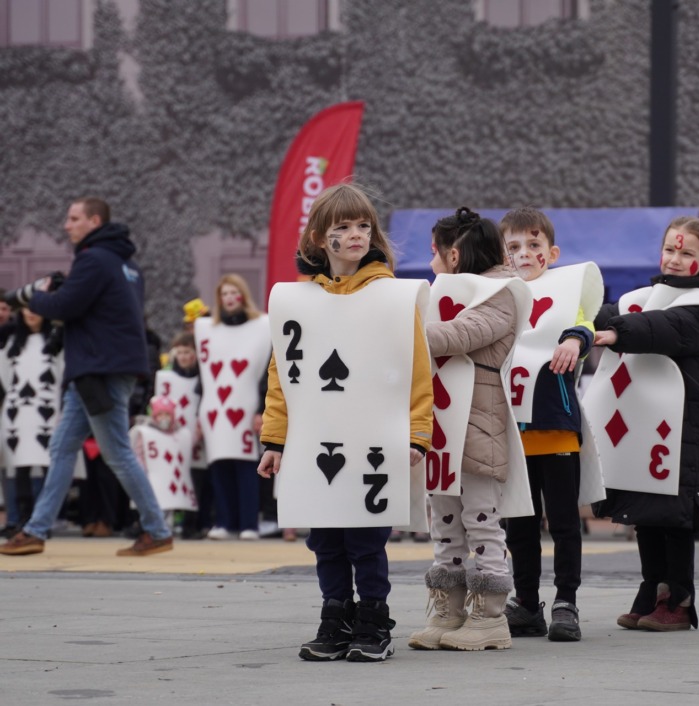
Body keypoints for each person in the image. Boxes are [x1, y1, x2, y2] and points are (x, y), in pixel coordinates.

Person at [258, 183, 433, 663]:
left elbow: (418, 372)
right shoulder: (298, 304)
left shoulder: (393, 298)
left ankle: (373, 620)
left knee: (366, 538)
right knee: (325, 540)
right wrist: (274, 440)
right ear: (319, 238)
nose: (356, 234)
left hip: (374, 441)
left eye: (363, 225)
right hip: (314, 442)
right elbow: (283, 376)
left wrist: (417, 434)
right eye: (343, 227)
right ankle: (334, 617)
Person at [586, 216, 699, 631]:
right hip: (642, 420)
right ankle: (651, 590)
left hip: (682, 425)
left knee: (675, 514)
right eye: (670, 250)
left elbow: (662, 328)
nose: (675, 259)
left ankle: (678, 599)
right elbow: (602, 314)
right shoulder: (638, 299)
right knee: (645, 510)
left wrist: (614, 331)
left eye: (687, 253)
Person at [0, 197, 172, 556]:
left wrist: (34, 298)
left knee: (117, 452)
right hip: (105, 368)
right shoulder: (128, 265)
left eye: (74, 218)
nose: (67, 225)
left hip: (99, 369)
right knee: (62, 448)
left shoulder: (93, 259)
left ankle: (157, 530)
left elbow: (65, 306)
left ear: (94, 221)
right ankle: (36, 529)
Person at [407, 207, 529, 652]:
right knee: (444, 521)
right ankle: (450, 610)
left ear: (454, 255)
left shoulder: (501, 292)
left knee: (480, 520)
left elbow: (461, 334)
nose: (431, 262)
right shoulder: (452, 294)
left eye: (434, 252)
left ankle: (491, 617)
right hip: (441, 424)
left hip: (479, 423)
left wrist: (399, 327)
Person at [496, 207, 602, 643]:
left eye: (534, 244)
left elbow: (586, 323)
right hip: (512, 429)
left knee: (563, 523)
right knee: (519, 525)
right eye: (514, 246)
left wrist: (576, 338)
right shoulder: (499, 296)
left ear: (551, 253)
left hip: (555, 424)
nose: (524, 253)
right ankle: (526, 602)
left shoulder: (565, 294)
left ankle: (566, 602)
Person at [196, 274, 271, 541]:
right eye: (224, 294)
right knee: (219, 465)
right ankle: (224, 522)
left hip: (247, 407)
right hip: (214, 408)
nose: (229, 298)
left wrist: (261, 409)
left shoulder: (262, 327)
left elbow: (267, 373)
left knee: (245, 466)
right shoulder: (206, 330)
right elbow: (203, 373)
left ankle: (249, 523)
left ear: (242, 295)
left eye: (233, 292)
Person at [0, 307, 63, 536]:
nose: (31, 314)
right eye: (27, 308)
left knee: (48, 465)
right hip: (17, 411)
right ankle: (20, 519)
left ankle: (42, 520)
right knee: (18, 466)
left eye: (36, 309)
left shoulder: (55, 342)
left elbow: (62, 373)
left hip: (47, 409)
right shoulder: (12, 343)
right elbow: (5, 376)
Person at [156, 332, 210, 538]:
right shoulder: (166, 378)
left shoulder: (204, 379)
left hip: (197, 436)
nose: (184, 357)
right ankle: (164, 523)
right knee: (169, 477)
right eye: (180, 352)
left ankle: (192, 524)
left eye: (188, 352)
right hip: (172, 436)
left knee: (196, 481)